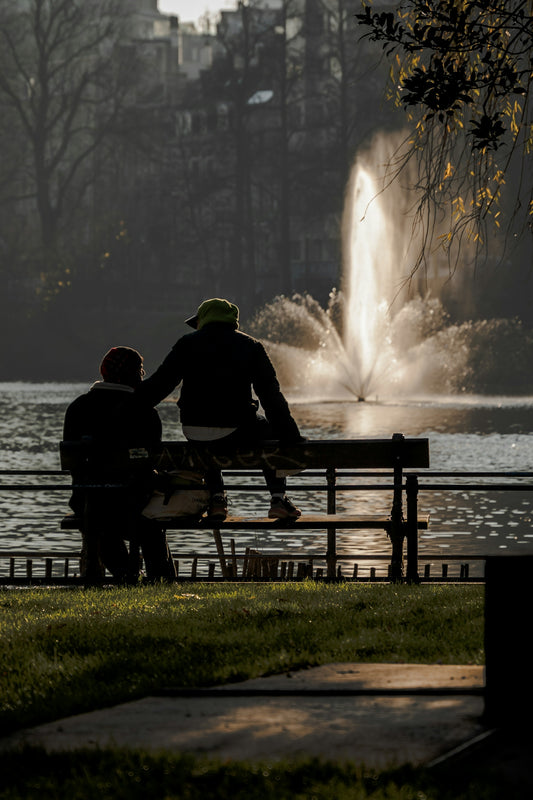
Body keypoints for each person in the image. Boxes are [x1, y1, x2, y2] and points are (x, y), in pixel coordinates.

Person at [137, 297, 304, 520]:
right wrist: (291, 437)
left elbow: (160, 385)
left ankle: (217, 499)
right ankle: (278, 499)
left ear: (204, 320)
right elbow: (270, 396)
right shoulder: (250, 346)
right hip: (236, 429)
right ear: (232, 322)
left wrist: (126, 405)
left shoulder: (186, 344)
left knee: (207, 435)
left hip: (193, 429)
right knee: (269, 429)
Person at [63, 346, 176, 582]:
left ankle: (126, 574)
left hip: (88, 501)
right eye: (141, 371)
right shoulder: (145, 412)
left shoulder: (77, 408)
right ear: (135, 375)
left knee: (100, 518)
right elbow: (151, 460)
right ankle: (160, 578)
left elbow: (75, 465)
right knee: (149, 521)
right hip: (134, 501)